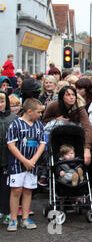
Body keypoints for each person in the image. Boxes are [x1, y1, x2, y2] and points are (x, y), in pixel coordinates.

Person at [6, 98, 45, 231]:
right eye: (39, 112)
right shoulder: (15, 124)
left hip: (32, 164)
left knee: (28, 190)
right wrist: (24, 160)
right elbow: (11, 145)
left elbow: (42, 144)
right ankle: (13, 219)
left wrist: (33, 160)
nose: (40, 115)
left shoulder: (39, 125)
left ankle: (25, 217)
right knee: (16, 190)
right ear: (29, 111)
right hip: (17, 163)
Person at [42, 86, 92, 166]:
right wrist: (56, 119)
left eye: (73, 94)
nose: (71, 97)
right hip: (56, 135)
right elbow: (44, 120)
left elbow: (87, 127)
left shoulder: (79, 107)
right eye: (68, 95)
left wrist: (87, 149)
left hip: (75, 135)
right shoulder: (53, 105)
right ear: (62, 97)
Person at [0, 90, 18, 225]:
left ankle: (6, 211)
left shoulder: (13, 118)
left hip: (8, 159)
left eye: (2, 101)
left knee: (6, 187)